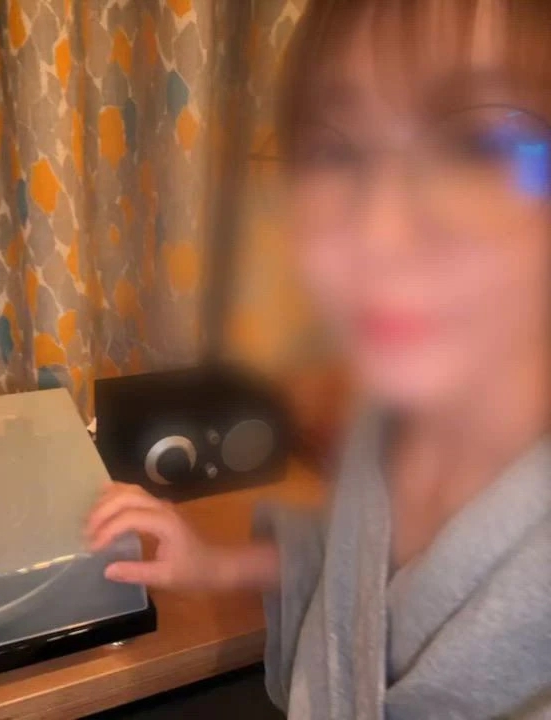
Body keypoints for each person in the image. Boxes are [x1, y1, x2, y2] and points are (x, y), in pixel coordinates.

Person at [86, 1, 551, 717]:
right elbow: (347, 572)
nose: (378, 232)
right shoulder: (388, 418)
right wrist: (213, 562)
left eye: (481, 148)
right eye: (335, 153)